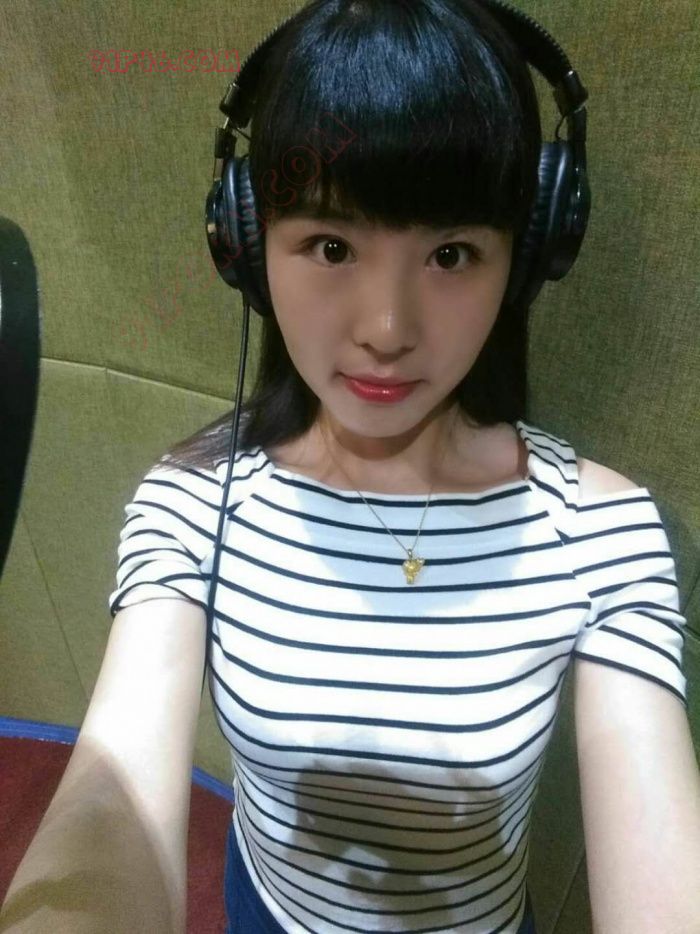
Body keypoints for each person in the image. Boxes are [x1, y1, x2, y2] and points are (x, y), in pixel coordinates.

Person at [2, 2, 698, 933]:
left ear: (525, 257)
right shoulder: (192, 503)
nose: (387, 328)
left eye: (451, 253)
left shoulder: (605, 533)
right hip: (263, 908)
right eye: (330, 246)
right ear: (249, 244)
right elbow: (111, 779)